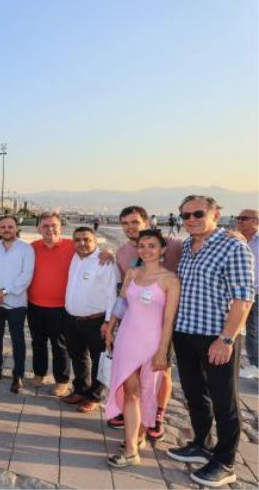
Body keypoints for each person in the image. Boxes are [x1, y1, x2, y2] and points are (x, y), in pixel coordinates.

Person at [167, 195, 254, 487]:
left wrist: (226, 339)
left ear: (215, 214)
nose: (191, 220)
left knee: (224, 400)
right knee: (194, 393)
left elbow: (243, 299)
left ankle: (225, 461)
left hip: (217, 336)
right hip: (185, 333)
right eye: (185, 215)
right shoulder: (187, 246)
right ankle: (201, 443)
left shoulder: (233, 246)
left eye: (198, 214)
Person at [104, 229, 179, 468]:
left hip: (153, 343)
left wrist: (162, 351)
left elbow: (169, 320)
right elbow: (121, 303)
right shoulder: (132, 273)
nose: (146, 250)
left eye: (152, 246)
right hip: (127, 340)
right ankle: (130, 450)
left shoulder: (170, 280)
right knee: (131, 392)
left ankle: (139, 436)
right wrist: (110, 327)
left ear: (163, 249)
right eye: (142, 246)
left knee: (148, 391)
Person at [62, 227, 118, 413]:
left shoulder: (105, 262)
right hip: (72, 318)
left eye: (86, 239)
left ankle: (95, 396)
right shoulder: (75, 258)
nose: (82, 243)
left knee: (99, 359)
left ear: (95, 241)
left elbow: (113, 294)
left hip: (96, 321)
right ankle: (80, 390)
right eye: (77, 239)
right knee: (77, 357)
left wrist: (108, 322)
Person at [0, 216, 35, 393]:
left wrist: (3, 291)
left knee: (17, 340)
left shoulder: (26, 248)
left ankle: (18, 375)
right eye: (3, 227)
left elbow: (26, 276)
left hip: (16, 303)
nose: (6, 230)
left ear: (16, 228)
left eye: (10, 226)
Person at [27, 212, 74, 396]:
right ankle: (39, 373)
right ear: (39, 229)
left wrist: (107, 252)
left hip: (60, 306)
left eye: (54, 225)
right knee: (38, 342)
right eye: (45, 226)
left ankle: (62, 380)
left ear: (60, 227)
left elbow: (93, 252)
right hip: (34, 304)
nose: (50, 229)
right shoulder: (33, 247)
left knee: (59, 345)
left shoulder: (72, 246)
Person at [236, 209, 258, 380]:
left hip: (256, 292)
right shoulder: (236, 240)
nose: (239, 221)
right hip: (238, 293)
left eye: (243, 218)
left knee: (253, 329)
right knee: (236, 327)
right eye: (238, 218)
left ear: (256, 221)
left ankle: (255, 365)